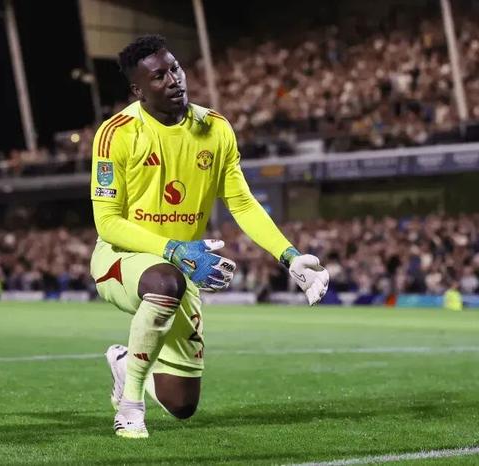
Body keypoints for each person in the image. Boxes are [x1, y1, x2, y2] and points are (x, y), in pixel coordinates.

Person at [89, 35, 329, 439]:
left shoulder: (215, 129)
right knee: (166, 282)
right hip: (121, 258)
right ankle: (130, 406)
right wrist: (172, 249)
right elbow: (108, 222)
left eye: (175, 68)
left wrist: (290, 256)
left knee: (182, 404)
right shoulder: (117, 133)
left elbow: (243, 203)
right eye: (158, 76)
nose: (173, 79)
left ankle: (125, 363)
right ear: (138, 90)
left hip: (184, 264)